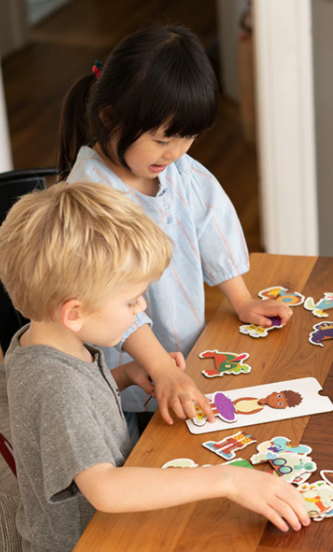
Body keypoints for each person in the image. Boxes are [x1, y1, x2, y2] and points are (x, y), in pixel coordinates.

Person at [0, 182, 310, 552]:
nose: (141, 308)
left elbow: (68, 410)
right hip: (90, 540)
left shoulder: (39, 343)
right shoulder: (56, 385)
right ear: (74, 313)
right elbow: (106, 489)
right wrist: (229, 481)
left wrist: (123, 376)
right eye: (130, 302)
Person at [56, 24, 292, 441]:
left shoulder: (177, 169)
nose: (177, 152)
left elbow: (211, 223)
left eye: (189, 138)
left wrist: (241, 299)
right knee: (144, 439)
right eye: (164, 138)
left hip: (184, 350)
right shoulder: (90, 197)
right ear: (110, 117)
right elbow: (106, 299)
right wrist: (160, 366)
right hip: (128, 363)